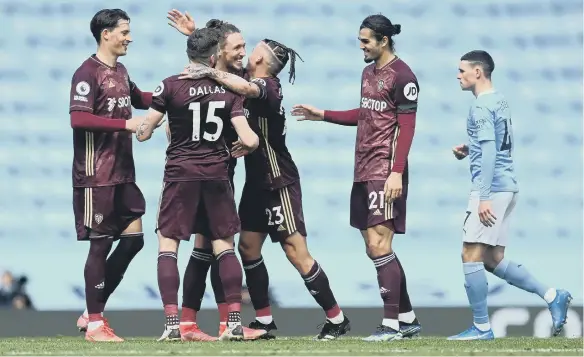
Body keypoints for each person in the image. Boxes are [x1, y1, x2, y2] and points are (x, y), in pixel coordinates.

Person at [181, 39, 351, 340]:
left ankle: (336, 318)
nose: (245, 52)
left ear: (260, 57)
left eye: (251, 48)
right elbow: (222, 66)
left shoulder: (268, 86)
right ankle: (264, 319)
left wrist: (204, 74)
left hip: (278, 181)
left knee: (296, 252)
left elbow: (244, 88)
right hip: (256, 185)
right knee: (247, 247)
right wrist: (198, 36)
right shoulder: (245, 80)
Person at [291, 14, 421, 342]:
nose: (360, 46)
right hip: (363, 169)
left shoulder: (403, 77)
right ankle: (407, 318)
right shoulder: (368, 72)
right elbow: (366, 115)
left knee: (380, 244)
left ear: (383, 41)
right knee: (372, 246)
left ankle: (390, 325)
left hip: (384, 171)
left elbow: (406, 129)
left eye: (365, 41)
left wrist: (396, 173)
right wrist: (323, 114)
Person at [135, 26, 264, 342]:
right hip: (217, 176)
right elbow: (248, 138)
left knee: (168, 245)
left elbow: (144, 130)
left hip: (180, 177)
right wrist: (245, 145)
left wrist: (149, 129)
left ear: (188, 54)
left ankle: (172, 325)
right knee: (223, 245)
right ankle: (233, 322)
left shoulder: (169, 86)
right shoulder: (229, 91)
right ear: (215, 55)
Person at [447, 50, 572, 340]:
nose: (458, 75)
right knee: (493, 259)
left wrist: (484, 196)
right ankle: (552, 295)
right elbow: (497, 140)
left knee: (470, 254)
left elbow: (491, 149)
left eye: (462, 70)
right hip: (508, 185)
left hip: (491, 188)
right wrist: (470, 148)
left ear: (478, 72)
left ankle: (481, 328)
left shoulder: (479, 107)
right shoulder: (499, 99)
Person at [166, 11, 260, 338]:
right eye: (236, 46)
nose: (242, 52)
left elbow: (246, 86)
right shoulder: (199, 81)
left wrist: (193, 36)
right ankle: (221, 323)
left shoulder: (236, 78)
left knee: (205, 247)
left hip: (221, 170)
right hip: (210, 173)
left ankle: (194, 322)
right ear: (219, 51)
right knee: (214, 245)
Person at [69, 8, 154, 342]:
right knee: (100, 246)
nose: (129, 37)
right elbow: (78, 119)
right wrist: (125, 124)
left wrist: (173, 91)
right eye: (124, 32)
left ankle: (92, 310)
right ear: (106, 33)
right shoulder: (86, 72)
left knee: (134, 240)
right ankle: (94, 325)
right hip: (96, 175)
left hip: (122, 173)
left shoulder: (120, 70)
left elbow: (142, 99)